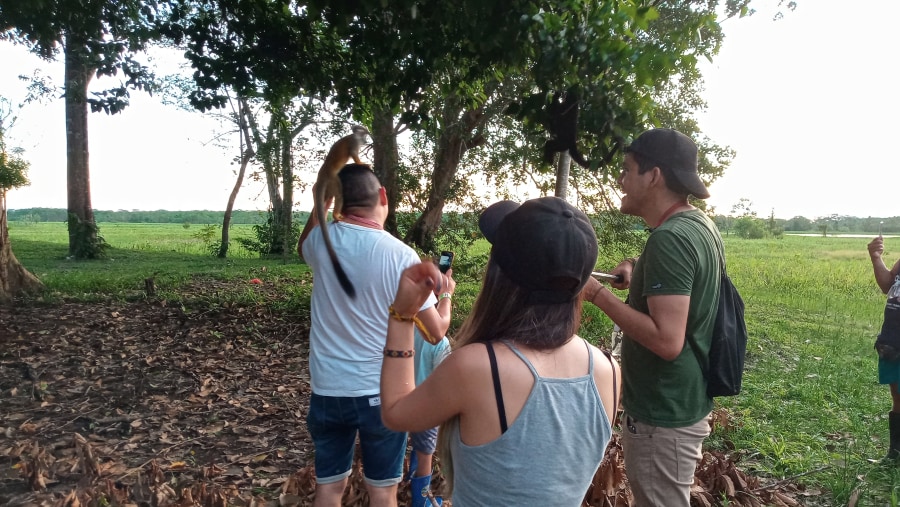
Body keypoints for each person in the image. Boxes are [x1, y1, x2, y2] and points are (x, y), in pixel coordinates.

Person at [380, 196, 620, 506]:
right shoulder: (608, 370)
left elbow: (396, 412)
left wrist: (402, 316)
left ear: (499, 277)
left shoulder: (479, 367)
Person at [298, 163, 453, 507]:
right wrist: (446, 296)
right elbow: (435, 332)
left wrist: (321, 202)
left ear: (335, 202)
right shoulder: (400, 255)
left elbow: (303, 246)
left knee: (328, 487)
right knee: (382, 492)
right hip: (380, 394)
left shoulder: (321, 243)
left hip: (326, 390)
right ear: (383, 196)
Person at [583, 128, 720, 506]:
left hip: (664, 415)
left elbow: (666, 340)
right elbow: (684, 279)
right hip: (680, 403)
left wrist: (595, 292)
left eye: (627, 170)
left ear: (654, 176)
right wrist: (635, 267)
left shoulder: (669, 239)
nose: (620, 180)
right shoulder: (697, 225)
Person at [406, 325, 453, 507]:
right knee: (425, 455)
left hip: (399, 404)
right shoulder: (440, 342)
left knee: (401, 446)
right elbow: (444, 383)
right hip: (427, 409)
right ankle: (420, 501)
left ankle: (404, 482)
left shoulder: (402, 331)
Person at [867, 233, 900, 459]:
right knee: (898, 395)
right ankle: (895, 453)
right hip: (893, 341)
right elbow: (887, 284)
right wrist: (876, 257)